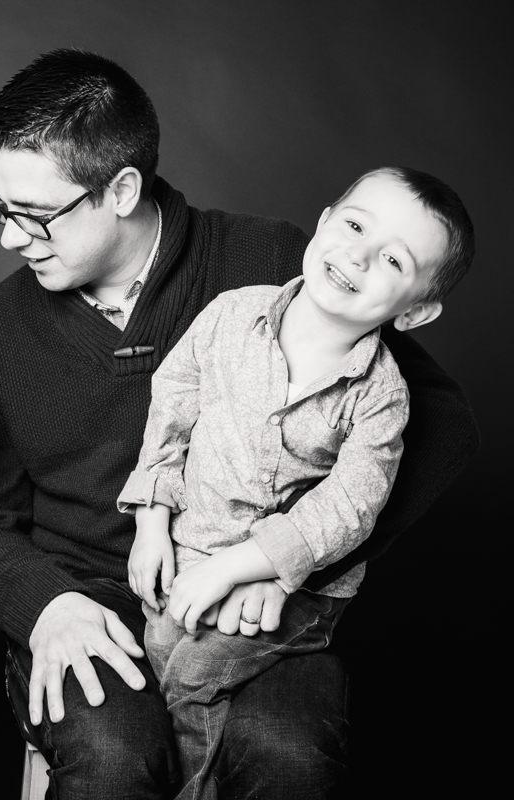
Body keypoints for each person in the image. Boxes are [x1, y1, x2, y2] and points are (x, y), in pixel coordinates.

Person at [0, 49, 479, 799]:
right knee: (116, 756)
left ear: (121, 190)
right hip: (87, 596)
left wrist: (288, 568)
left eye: (34, 214)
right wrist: (45, 606)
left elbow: (437, 430)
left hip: (252, 590)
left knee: (286, 754)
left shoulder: (280, 263)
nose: (8, 236)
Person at [118, 167, 474, 799]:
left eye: (393, 260)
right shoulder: (229, 316)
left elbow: (350, 507)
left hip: (302, 584)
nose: (358, 256)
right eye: (355, 226)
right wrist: (151, 521)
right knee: (164, 635)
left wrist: (248, 568)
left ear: (416, 310)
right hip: (192, 543)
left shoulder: (381, 397)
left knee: (194, 668)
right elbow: (170, 410)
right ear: (324, 220)